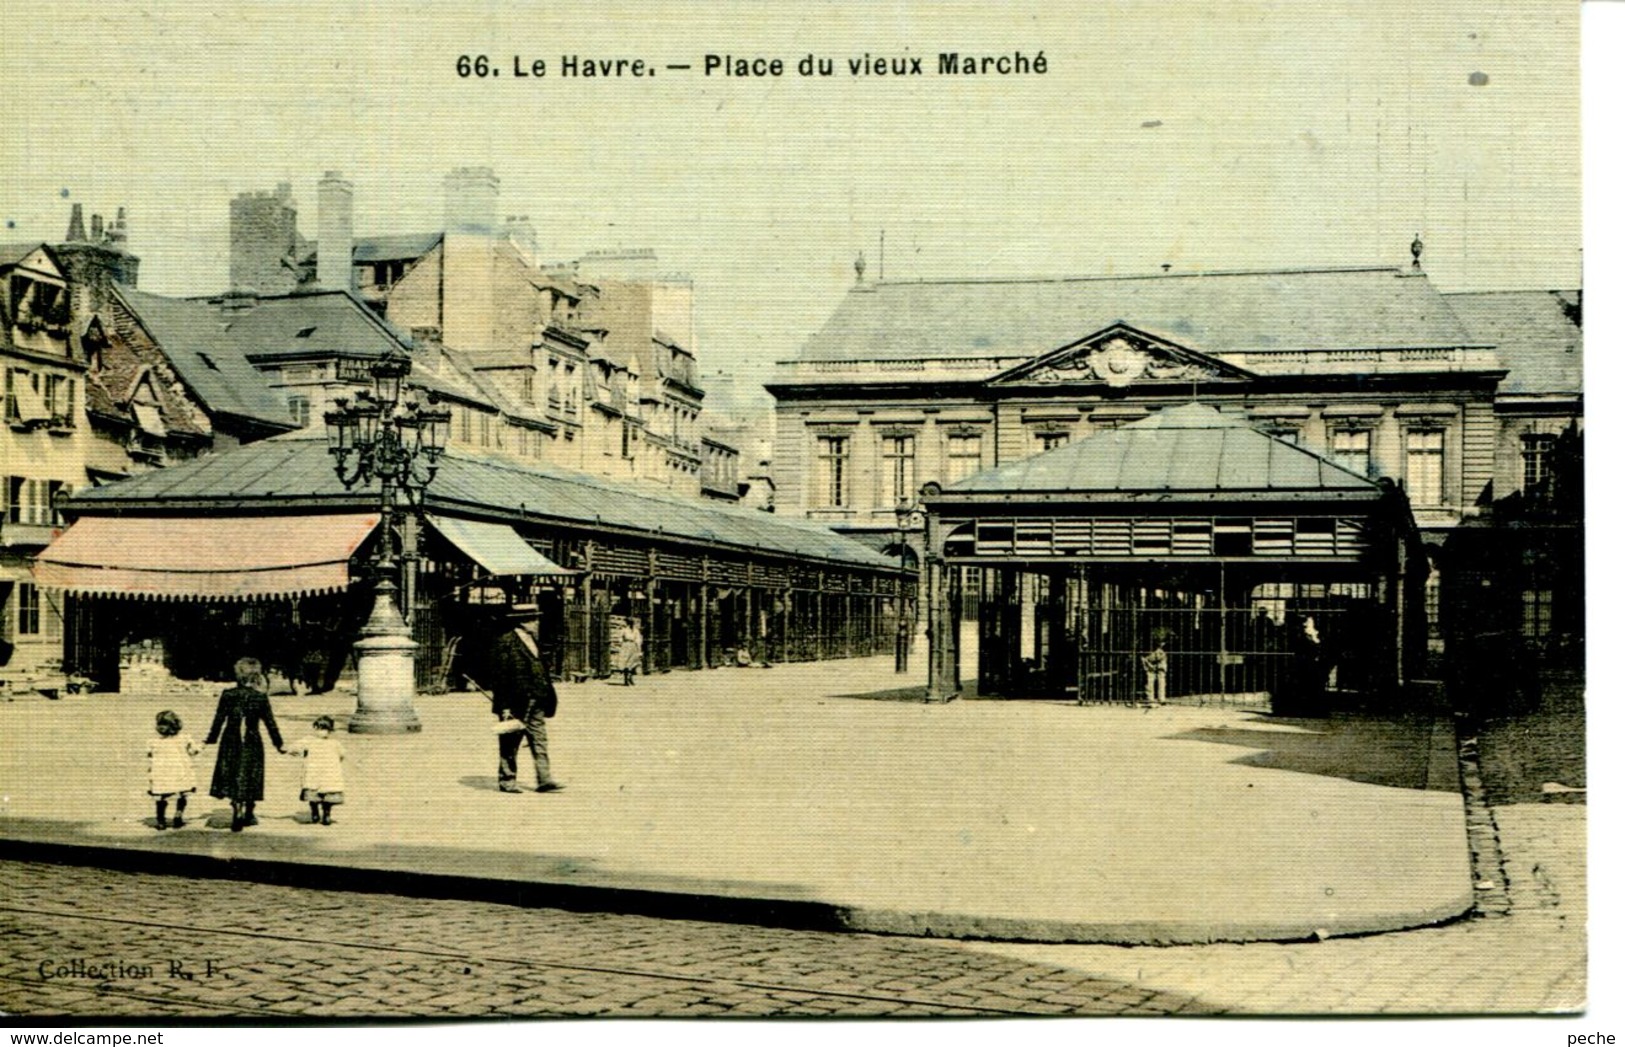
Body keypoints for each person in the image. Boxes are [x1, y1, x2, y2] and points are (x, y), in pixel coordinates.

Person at [479, 605, 562, 794]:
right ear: (523, 621)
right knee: (510, 741)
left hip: (538, 699)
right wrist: (504, 705)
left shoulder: (534, 640)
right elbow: (499, 676)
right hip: (515, 701)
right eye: (534, 619)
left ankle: (545, 779)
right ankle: (507, 781)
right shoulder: (505, 641)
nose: (537, 622)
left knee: (539, 740)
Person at [204, 657, 284, 831]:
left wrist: (210, 739)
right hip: (252, 741)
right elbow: (270, 723)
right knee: (250, 775)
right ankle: (248, 811)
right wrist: (279, 744)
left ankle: (236, 807)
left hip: (230, 740)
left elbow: (218, 720)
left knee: (233, 773)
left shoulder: (228, 695)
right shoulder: (260, 697)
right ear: (256, 676)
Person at [147, 710, 201, 830]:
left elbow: (150, 757)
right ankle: (178, 815)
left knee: (161, 798)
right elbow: (193, 752)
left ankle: (161, 820)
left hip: (161, 773)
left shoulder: (153, 741)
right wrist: (202, 746)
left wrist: (151, 771)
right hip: (181, 772)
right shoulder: (185, 738)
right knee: (182, 795)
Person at [290, 714, 345, 826]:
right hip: (329, 774)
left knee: (314, 794)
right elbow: (342, 755)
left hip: (314, 773)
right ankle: (324, 814)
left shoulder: (309, 741)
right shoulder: (335, 743)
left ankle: (320, 813)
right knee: (326, 796)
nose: (323, 732)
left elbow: (293, 749)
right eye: (321, 729)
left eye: (325, 729)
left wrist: (299, 753)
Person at [614, 617, 643, 686]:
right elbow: (620, 638)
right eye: (629, 623)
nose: (631, 624)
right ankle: (626, 679)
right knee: (625, 663)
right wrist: (621, 643)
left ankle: (630, 678)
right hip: (626, 646)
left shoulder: (636, 631)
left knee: (632, 663)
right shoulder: (624, 630)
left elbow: (638, 640)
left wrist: (639, 649)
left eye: (632, 623)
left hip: (633, 646)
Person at [1141, 642, 1169, 706]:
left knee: (1161, 681)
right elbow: (1143, 659)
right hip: (1149, 664)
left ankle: (1161, 698)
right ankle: (1150, 699)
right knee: (1149, 681)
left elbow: (1163, 659)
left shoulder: (1161, 652)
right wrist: (1149, 665)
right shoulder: (1146, 651)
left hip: (1160, 664)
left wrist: (1159, 666)